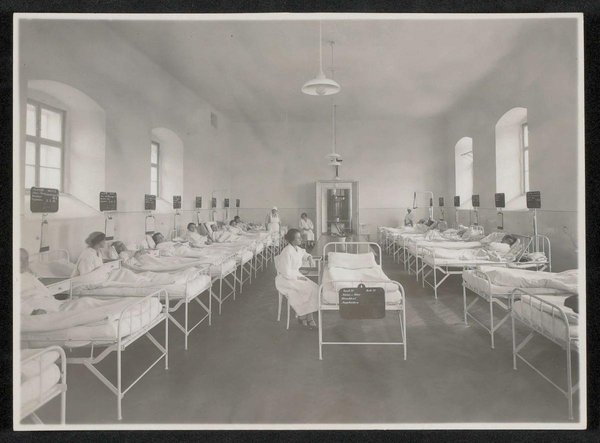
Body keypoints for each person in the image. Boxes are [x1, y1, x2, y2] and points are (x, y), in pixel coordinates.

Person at [275, 229, 319, 329]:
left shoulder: (297, 248)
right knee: (307, 289)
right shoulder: (286, 252)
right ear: (292, 240)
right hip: (286, 279)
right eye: (298, 238)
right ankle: (305, 316)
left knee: (314, 287)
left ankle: (305, 316)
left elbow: (304, 253)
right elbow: (286, 272)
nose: (301, 239)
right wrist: (299, 277)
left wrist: (309, 257)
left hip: (295, 276)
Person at [20, 248, 62, 315]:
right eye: (20, 259)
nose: (24, 262)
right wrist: (32, 311)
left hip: (44, 301)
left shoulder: (28, 275)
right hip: (33, 306)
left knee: (79, 305)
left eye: (26, 259)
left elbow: (42, 288)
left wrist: (54, 300)